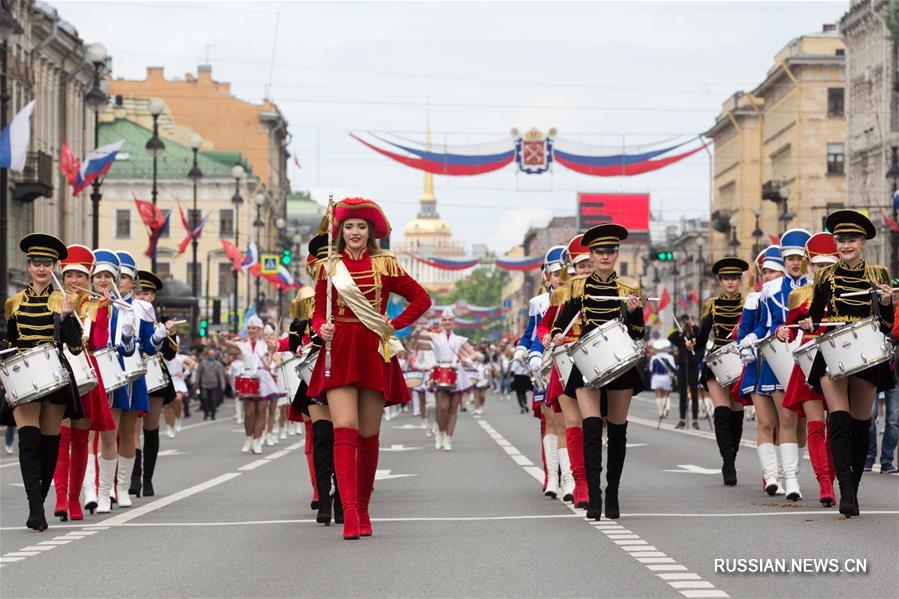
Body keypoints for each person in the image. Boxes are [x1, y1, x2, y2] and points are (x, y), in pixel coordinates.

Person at [308, 197, 431, 539]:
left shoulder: (386, 265)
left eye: (361, 227)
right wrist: (322, 329)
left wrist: (394, 324)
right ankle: (348, 514)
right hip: (341, 348)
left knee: (368, 437)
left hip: (374, 349)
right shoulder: (328, 267)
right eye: (349, 226)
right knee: (343, 429)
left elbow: (422, 298)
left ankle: (363, 508)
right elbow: (319, 312)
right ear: (340, 231)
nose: (355, 232)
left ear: (371, 231)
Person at [799, 210, 894, 517]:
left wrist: (889, 303)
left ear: (862, 241)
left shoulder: (879, 274)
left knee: (861, 423)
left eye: (851, 240)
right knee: (838, 421)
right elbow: (815, 313)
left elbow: (886, 323)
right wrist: (808, 322)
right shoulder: (824, 275)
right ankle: (846, 492)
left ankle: (853, 484)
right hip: (834, 348)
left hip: (867, 350)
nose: (845, 245)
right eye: (840, 240)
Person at [550, 223, 645, 521]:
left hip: (619, 361)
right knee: (591, 429)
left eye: (611, 251)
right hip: (588, 361)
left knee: (617, 430)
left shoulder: (629, 288)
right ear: (591, 254)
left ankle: (613, 492)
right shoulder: (577, 287)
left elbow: (638, 331)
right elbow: (561, 321)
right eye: (600, 251)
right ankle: (593, 493)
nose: (605, 256)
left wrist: (633, 311)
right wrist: (554, 335)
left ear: (617, 254)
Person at [0, 234, 82, 531]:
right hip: (22, 376)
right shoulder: (14, 302)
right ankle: (35, 507)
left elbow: (74, 348)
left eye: (47, 263)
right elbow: (8, 342)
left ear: (54, 267)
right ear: (28, 265)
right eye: (36, 262)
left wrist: (69, 318)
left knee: (49, 445)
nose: (41, 268)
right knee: (28, 441)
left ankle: (41, 500)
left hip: (54, 374)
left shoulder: (64, 300)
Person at [52, 245, 116, 522]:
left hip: (87, 372)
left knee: (80, 440)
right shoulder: (53, 300)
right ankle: (60, 498)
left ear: (87, 278)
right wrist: (64, 315)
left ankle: (75, 499)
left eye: (79, 275)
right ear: (63, 277)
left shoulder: (97, 304)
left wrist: (105, 311)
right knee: (61, 439)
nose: (74, 281)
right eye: (70, 276)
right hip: (60, 372)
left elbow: (99, 342)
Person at [778, 232, 839, 506]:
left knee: (837, 425)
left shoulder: (848, 291)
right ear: (811, 265)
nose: (823, 270)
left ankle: (834, 478)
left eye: (829, 265)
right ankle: (824, 483)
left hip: (840, 361)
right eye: (818, 265)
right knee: (816, 426)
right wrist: (783, 331)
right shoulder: (800, 295)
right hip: (811, 363)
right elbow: (790, 333)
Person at [538, 234, 594, 507]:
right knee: (570, 423)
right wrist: (548, 336)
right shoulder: (562, 294)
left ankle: (591, 478)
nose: (585, 270)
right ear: (573, 268)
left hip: (596, 361)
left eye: (589, 265)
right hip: (566, 362)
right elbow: (545, 324)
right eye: (581, 266)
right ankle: (575, 482)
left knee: (596, 425)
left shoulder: (607, 289)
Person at [514, 245, 567, 495]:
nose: (561, 278)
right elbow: (532, 333)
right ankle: (552, 477)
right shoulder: (539, 303)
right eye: (556, 273)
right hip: (545, 363)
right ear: (547, 275)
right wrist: (523, 350)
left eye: (565, 272)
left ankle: (574, 477)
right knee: (550, 422)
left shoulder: (578, 295)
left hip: (572, 361)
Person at [691, 257, 748, 486]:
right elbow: (703, 336)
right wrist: (693, 344)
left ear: (740, 280)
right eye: (726, 278)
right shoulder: (711, 305)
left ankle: (732, 453)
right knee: (722, 412)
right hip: (716, 360)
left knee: (737, 413)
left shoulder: (749, 303)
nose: (730, 282)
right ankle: (728, 462)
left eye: (734, 278)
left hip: (741, 360)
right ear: (720, 281)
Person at [738, 245, 787, 496]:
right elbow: (745, 330)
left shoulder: (793, 294)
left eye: (773, 272)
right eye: (765, 272)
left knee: (786, 422)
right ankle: (770, 475)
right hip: (759, 365)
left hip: (784, 364)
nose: (767, 276)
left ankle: (789, 473)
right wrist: (744, 346)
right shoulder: (755, 299)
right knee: (766, 422)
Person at [132, 270, 179, 498]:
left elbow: (170, 355)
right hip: (132, 374)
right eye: (139, 292)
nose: (143, 296)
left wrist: (168, 333)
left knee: (150, 429)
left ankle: (147, 479)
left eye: (148, 293)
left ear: (153, 297)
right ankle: (134, 476)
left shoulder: (162, 321)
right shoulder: (125, 313)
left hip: (154, 376)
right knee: (130, 427)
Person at [414, 309, 476, 450]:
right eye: (445, 320)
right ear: (441, 322)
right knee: (442, 407)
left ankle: (448, 439)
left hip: (456, 372)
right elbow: (417, 339)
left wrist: (467, 359)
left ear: (454, 323)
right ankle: (440, 433)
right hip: (440, 371)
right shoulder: (435, 337)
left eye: (450, 320)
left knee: (453, 409)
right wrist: (417, 328)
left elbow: (473, 354)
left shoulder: (460, 339)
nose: (447, 322)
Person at [217, 315, 278, 455]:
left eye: (254, 328)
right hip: (248, 378)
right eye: (249, 328)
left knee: (261, 412)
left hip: (263, 379)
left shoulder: (266, 344)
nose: (251, 330)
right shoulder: (243, 343)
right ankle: (248, 438)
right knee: (249, 413)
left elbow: (275, 358)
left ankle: (257, 442)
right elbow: (226, 344)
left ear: (260, 330)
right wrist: (221, 336)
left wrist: (272, 363)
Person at [668, 314, 700, 429]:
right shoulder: (681, 334)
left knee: (694, 394)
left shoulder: (695, 331)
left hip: (693, 366)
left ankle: (695, 419)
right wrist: (681, 331)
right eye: (685, 321)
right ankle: (682, 419)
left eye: (688, 320)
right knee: (682, 394)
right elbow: (670, 338)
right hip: (682, 366)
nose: (687, 322)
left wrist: (692, 328)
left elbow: (700, 339)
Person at [194, 348, 227, 420]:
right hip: (204, 384)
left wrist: (222, 384)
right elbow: (198, 373)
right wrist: (196, 383)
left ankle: (213, 413)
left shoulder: (218, 364)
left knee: (213, 400)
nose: (211, 356)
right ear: (207, 355)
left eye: (213, 355)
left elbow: (221, 375)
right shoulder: (202, 363)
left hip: (214, 384)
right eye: (210, 354)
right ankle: (206, 412)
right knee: (204, 398)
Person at [649, 340, 677, 421]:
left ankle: (660, 412)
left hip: (656, 377)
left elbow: (652, 369)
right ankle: (666, 408)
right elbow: (673, 368)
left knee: (658, 395)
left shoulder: (654, 357)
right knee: (665, 394)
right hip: (666, 377)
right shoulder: (670, 357)